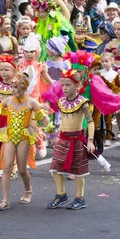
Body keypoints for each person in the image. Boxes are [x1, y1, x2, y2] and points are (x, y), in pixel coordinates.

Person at [0, 73, 49, 211]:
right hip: (10, 136)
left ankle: (28, 190)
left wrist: (47, 128)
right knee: (6, 168)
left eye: (16, 89)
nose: (13, 91)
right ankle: (5, 200)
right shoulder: (8, 101)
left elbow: (45, 121)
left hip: (24, 137)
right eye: (12, 88)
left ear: (24, 88)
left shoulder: (31, 102)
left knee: (22, 169)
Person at [46, 69, 95, 210]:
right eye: (63, 85)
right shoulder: (61, 102)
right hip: (63, 140)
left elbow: (90, 122)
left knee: (78, 170)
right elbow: (62, 120)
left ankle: (80, 198)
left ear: (78, 86)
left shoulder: (83, 102)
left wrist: (90, 140)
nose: (65, 88)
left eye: (68, 84)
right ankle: (61, 194)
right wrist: (56, 135)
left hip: (77, 141)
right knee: (55, 167)